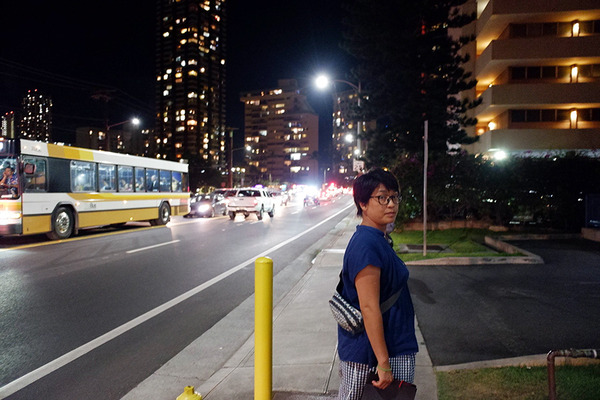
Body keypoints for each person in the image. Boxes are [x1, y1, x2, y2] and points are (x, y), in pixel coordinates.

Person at [336, 168, 418, 400]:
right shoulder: (366, 245)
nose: (391, 204)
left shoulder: (377, 239)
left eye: (394, 197)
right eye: (382, 197)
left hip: (391, 346)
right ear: (363, 203)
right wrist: (383, 362)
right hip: (372, 354)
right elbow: (369, 307)